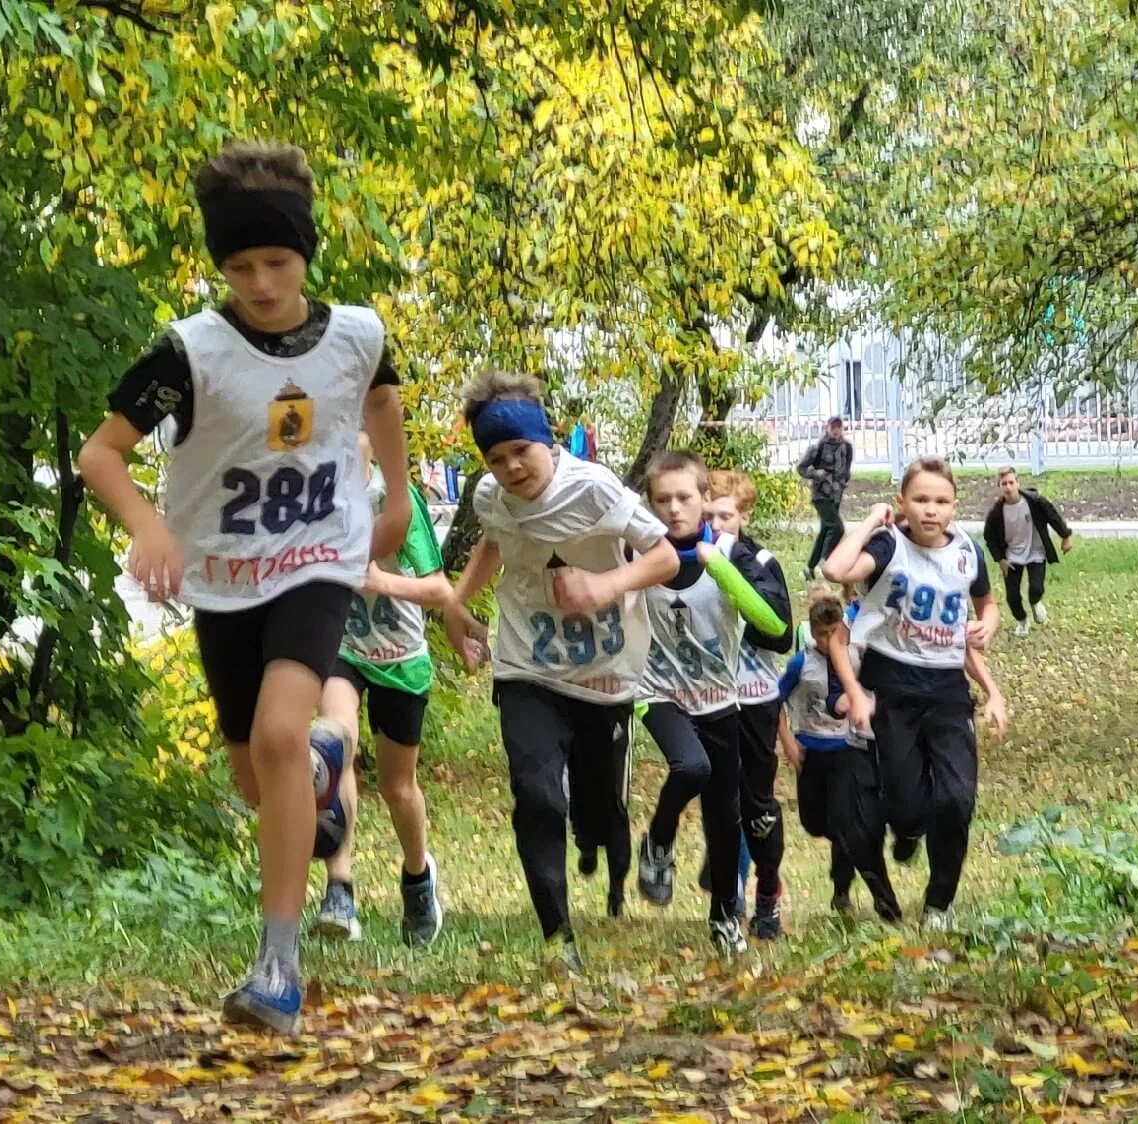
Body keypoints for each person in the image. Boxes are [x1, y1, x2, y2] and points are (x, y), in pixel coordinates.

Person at [78, 139, 410, 1034]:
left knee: (274, 733)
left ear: (305, 255)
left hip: (318, 557)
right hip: (223, 577)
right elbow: (99, 455)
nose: (259, 282)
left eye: (276, 262)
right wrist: (149, 525)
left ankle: (277, 966)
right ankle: (318, 767)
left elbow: (381, 400)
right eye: (239, 266)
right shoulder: (189, 351)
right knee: (257, 778)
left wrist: (399, 497)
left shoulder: (359, 335)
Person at [443, 371, 679, 973]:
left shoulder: (595, 490)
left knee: (597, 813)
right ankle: (558, 937)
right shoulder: (490, 498)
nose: (512, 468)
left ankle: (596, 835)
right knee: (537, 793)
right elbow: (493, 542)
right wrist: (459, 603)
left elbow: (665, 556)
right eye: (496, 459)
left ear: (548, 442)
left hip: (604, 673)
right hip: (528, 666)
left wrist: (604, 585)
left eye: (521, 451)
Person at [820, 457, 1004, 931]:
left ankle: (938, 904)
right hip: (893, 684)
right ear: (902, 503)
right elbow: (837, 569)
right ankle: (909, 829)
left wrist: (987, 626)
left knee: (957, 799)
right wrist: (868, 522)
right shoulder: (888, 545)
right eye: (920, 500)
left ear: (955, 506)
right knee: (905, 809)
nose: (931, 511)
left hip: (946, 688)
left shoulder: (967, 550)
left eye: (941, 502)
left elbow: (987, 603)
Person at [634, 452, 791, 954]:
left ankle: (725, 917)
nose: (674, 509)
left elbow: (775, 627)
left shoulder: (730, 552)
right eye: (663, 499)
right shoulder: (636, 550)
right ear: (650, 504)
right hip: (656, 693)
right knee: (691, 766)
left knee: (726, 819)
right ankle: (658, 841)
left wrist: (720, 569)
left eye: (685, 497)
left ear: (705, 499)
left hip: (718, 699)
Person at [311, 436, 450, 948]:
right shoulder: (311, 501)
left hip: (399, 656)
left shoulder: (395, 499)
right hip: (341, 648)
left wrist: (376, 581)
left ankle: (418, 879)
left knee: (398, 787)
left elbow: (439, 590)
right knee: (335, 747)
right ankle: (339, 891)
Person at [701, 468, 793, 939]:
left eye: (725, 515)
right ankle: (727, 894)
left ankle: (769, 888)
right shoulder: (687, 555)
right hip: (706, 697)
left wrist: (732, 577)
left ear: (744, 515)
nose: (716, 525)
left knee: (755, 805)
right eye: (708, 515)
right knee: (718, 797)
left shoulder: (761, 560)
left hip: (753, 698)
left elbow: (782, 634)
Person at [777, 590, 901, 923]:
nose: (828, 641)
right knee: (817, 822)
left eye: (834, 634)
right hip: (811, 752)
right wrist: (788, 741)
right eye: (821, 635)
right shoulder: (802, 663)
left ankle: (847, 891)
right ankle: (844, 862)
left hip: (847, 751)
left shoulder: (854, 658)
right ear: (812, 632)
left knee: (848, 823)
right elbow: (775, 699)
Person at [982, 466, 1074, 637]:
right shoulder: (996, 513)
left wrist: (1065, 536)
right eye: (1004, 484)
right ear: (999, 487)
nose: (1008, 487)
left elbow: (1052, 516)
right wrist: (1000, 559)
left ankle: (1035, 602)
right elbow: (989, 537)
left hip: (1035, 552)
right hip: (1012, 556)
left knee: (1036, 588)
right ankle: (1022, 621)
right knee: (1013, 597)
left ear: (1018, 483)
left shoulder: (1035, 501)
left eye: (1011, 482)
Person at [796, 416, 854, 582]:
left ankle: (809, 568)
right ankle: (825, 560)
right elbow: (801, 468)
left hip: (836, 495)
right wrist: (815, 474)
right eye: (833, 427)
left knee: (825, 531)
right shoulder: (818, 447)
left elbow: (846, 469)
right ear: (827, 428)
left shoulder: (847, 447)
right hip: (821, 494)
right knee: (837, 527)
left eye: (839, 427)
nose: (836, 431)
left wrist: (842, 483)